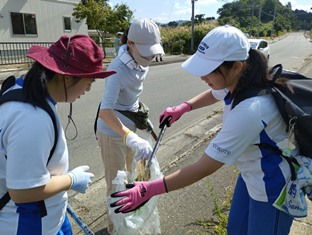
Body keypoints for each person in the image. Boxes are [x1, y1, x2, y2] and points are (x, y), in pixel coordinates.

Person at [109, 25, 296, 234]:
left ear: (236, 66)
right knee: (235, 230)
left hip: (272, 185)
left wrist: (149, 189)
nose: (202, 77)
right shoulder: (238, 80)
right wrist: (185, 107)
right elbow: (215, 93)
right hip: (250, 173)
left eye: (209, 70)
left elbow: (204, 167)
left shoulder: (251, 110)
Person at [0, 34, 115, 234]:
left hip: (47, 216)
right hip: (28, 224)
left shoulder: (21, 90)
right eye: (89, 82)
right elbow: (23, 192)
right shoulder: (31, 119)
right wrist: (71, 179)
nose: (88, 89)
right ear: (67, 76)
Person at [96, 18, 164, 233]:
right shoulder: (117, 69)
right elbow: (105, 111)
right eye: (146, 53)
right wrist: (130, 137)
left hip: (129, 129)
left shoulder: (140, 63)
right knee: (115, 183)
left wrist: (141, 119)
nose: (149, 59)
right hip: (111, 132)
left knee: (131, 178)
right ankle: (114, 229)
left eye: (152, 54)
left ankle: (128, 222)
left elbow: (131, 99)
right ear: (131, 44)